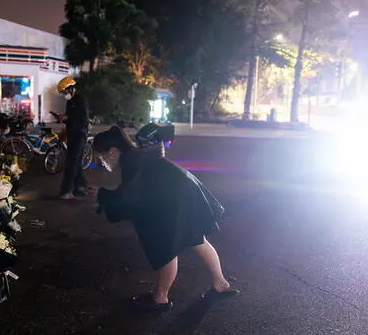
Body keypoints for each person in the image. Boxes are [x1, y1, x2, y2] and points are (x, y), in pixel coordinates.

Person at [88, 126, 239, 310]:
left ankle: (160, 299)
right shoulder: (135, 157)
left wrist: (102, 195)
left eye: (101, 156)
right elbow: (133, 194)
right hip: (184, 194)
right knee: (196, 239)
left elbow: (128, 199)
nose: (100, 162)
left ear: (112, 151)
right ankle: (220, 284)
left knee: (166, 248)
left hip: (178, 199)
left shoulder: (132, 162)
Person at [56, 77, 89, 200]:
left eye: (65, 92)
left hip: (80, 135)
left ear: (71, 88)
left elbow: (82, 119)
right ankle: (81, 188)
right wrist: (65, 123)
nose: (64, 95)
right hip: (72, 134)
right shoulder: (70, 102)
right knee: (76, 163)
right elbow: (69, 117)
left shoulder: (80, 100)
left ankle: (66, 191)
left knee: (72, 163)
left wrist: (66, 118)